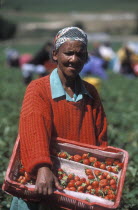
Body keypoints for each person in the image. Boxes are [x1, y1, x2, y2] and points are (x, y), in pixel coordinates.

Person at [9, 26, 108, 210]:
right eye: (68, 53)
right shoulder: (39, 89)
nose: (74, 59)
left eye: (80, 54)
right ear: (55, 54)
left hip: (76, 183)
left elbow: (100, 136)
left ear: (86, 57)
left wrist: (99, 171)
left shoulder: (90, 93)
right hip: (42, 180)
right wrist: (42, 167)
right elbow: (33, 130)